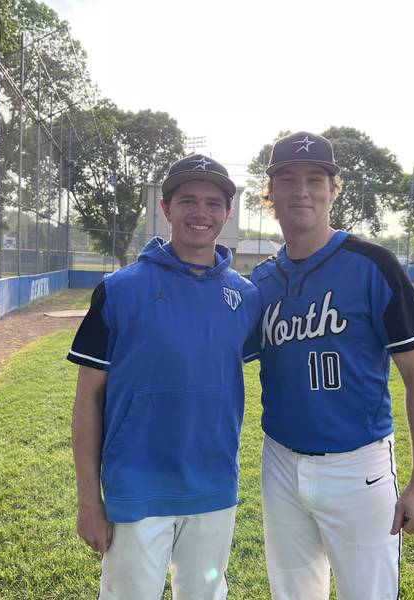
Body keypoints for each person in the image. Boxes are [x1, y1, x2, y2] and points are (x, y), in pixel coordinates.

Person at [243, 132, 414, 600]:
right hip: (279, 461)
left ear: (335, 189)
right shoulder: (261, 282)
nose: (302, 190)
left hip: (359, 465)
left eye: (316, 178)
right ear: (269, 193)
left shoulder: (372, 265)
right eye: (288, 179)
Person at [68, 154, 260, 599]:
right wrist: (88, 501)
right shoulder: (119, 290)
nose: (201, 213)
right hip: (137, 484)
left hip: (213, 484)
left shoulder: (246, 296)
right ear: (166, 209)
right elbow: (88, 401)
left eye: (213, 203)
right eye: (188, 200)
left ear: (227, 214)